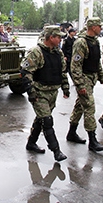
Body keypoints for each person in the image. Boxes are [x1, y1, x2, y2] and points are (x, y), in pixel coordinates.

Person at [21, 25, 69, 162]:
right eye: (58, 37)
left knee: (41, 119)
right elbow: (26, 72)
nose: (60, 39)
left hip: (52, 92)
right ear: (50, 37)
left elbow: (62, 71)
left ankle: (31, 143)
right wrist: (31, 92)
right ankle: (56, 150)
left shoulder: (58, 53)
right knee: (47, 120)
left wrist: (65, 88)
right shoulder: (36, 52)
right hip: (39, 92)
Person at [66, 17, 103, 152]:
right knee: (89, 107)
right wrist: (80, 85)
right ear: (93, 27)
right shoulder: (81, 42)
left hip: (92, 78)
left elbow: (97, 62)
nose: (101, 28)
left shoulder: (94, 42)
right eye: (99, 26)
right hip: (84, 79)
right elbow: (75, 66)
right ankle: (92, 140)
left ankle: (71, 133)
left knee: (80, 106)